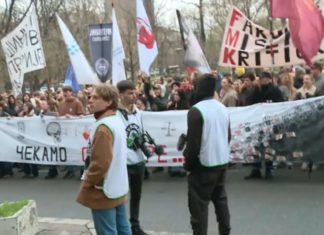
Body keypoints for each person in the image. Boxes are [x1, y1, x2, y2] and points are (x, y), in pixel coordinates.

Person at [77, 84, 131, 235]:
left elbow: (101, 163)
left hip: (104, 189)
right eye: (90, 97)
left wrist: (87, 182)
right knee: (123, 228)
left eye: (95, 97)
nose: (90, 100)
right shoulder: (116, 120)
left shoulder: (103, 127)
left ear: (108, 102)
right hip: (117, 185)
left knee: (107, 231)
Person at [183, 74, 231, 235]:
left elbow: (193, 145)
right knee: (221, 202)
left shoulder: (196, 111)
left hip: (203, 167)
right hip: (221, 162)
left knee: (199, 210)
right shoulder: (222, 108)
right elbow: (228, 136)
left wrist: (188, 166)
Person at [117, 80, 149, 235]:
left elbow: (141, 133)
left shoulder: (138, 112)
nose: (134, 95)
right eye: (129, 93)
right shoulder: (116, 114)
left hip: (138, 161)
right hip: (123, 163)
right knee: (121, 197)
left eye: (134, 92)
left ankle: (135, 225)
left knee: (136, 196)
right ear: (120, 95)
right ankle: (122, 227)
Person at [245, 71, 284, 180]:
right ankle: (256, 168)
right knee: (256, 145)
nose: (260, 80)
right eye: (260, 78)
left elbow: (280, 104)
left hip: (270, 122)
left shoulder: (275, 91)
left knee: (269, 146)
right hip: (257, 121)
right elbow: (250, 102)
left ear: (268, 79)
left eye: (262, 78)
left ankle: (268, 168)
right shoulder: (257, 90)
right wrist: (257, 89)